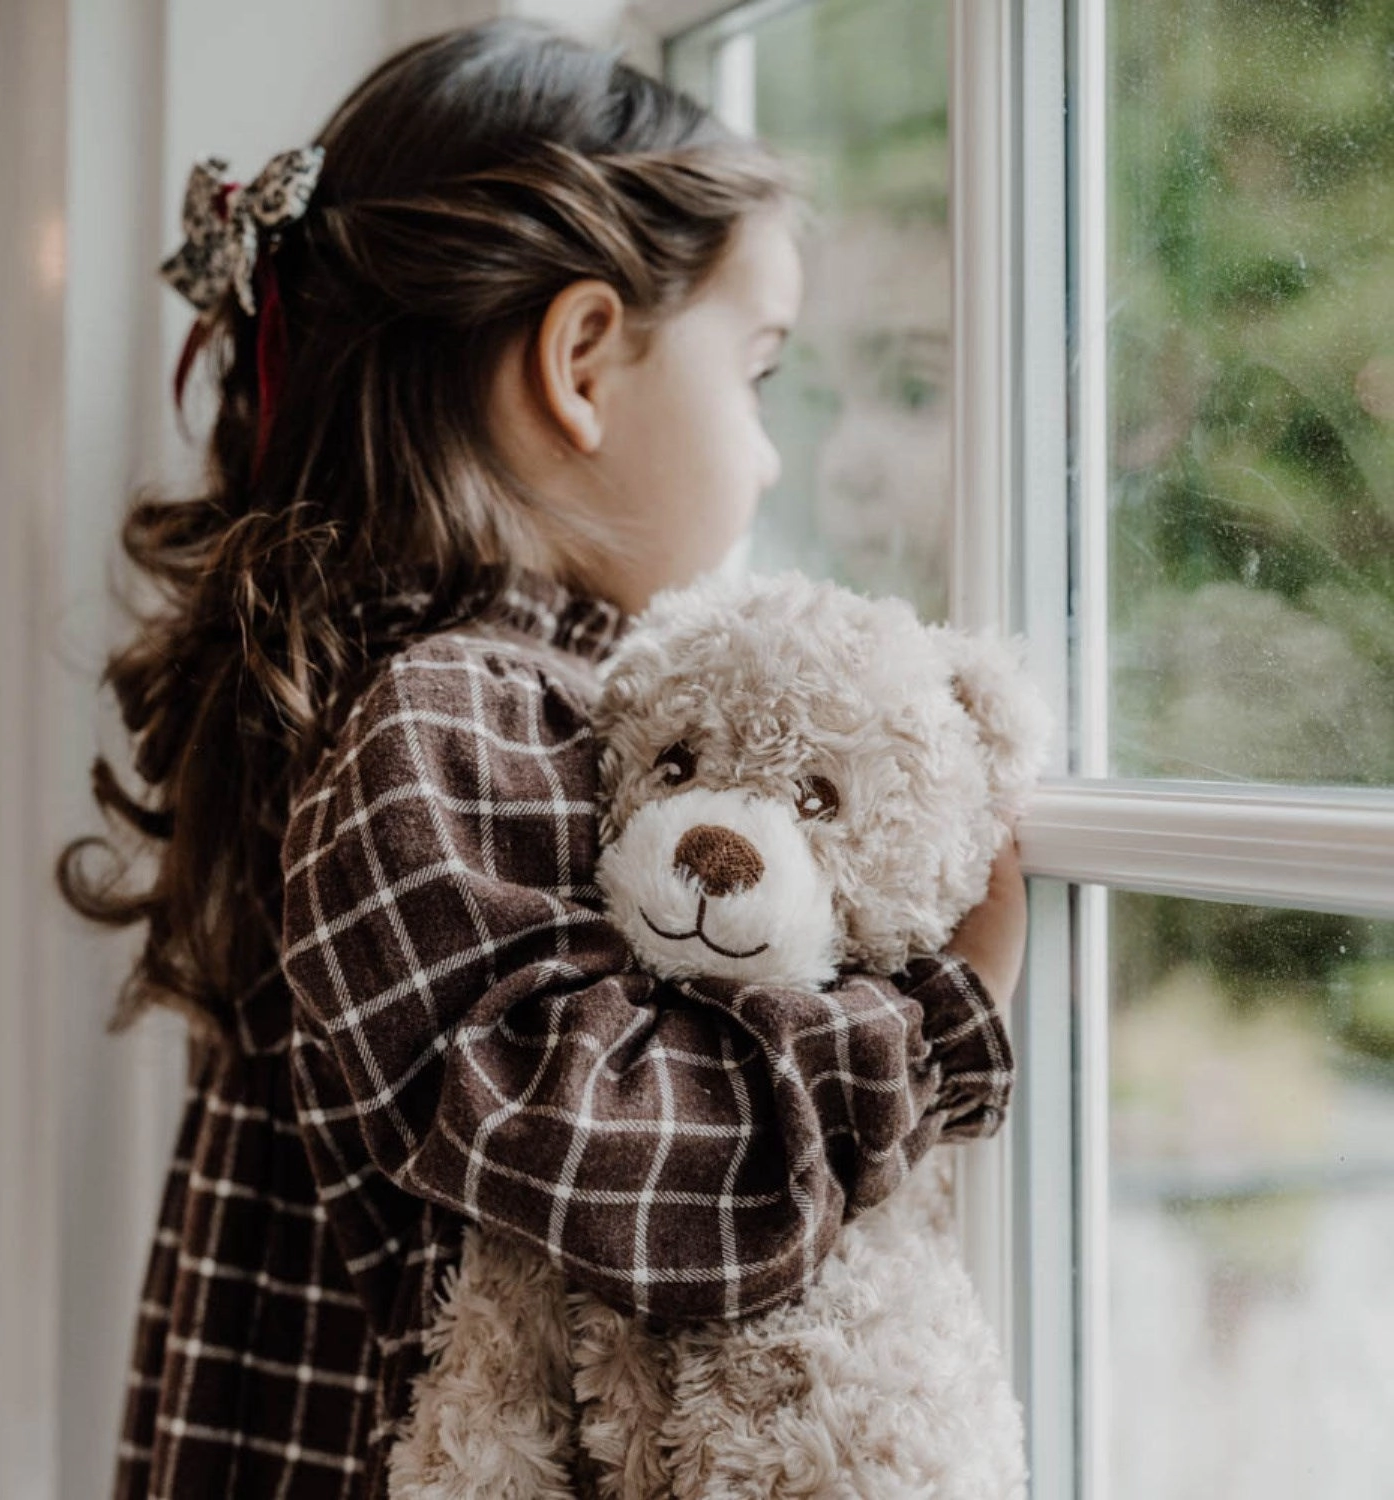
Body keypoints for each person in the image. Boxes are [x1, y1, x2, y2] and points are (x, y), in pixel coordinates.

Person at [57, 18, 1027, 1499]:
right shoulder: (452, 726)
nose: (772, 458)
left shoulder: (443, 697)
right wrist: (940, 1019)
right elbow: (636, 1164)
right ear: (581, 360)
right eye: (757, 373)